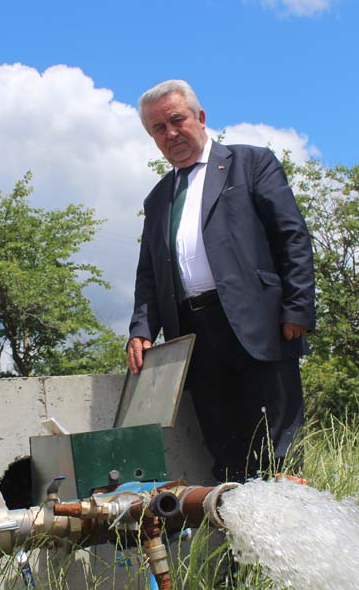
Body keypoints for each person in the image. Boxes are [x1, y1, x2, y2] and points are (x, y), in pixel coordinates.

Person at [127, 79, 316, 483]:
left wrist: (297, 308)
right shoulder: (158, 198)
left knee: (276, 452)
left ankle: (289, 538)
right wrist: (141, 329)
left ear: (200, 117)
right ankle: (234, 541)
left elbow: (292, 236)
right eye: (158, 129)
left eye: (176, 120)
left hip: (261, 327)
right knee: (225, 451)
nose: (170, 133)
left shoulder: (251, 163)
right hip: (194, 336)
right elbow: (149, 273)